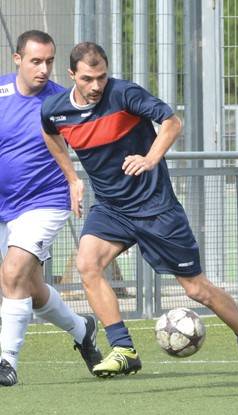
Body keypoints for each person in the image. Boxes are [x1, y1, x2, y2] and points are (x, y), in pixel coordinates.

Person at [40, 42, 238, 389]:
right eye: (88, 79)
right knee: (88, 264)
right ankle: (123, 349)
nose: (95, 87)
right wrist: (73, 179)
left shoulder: (124, 94)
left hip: (155, 208)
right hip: (110, 208)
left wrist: (150, 158)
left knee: (197, 289)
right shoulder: (56, 110)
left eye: (101, 77)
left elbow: (172, 122)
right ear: (71, 75)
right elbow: (51, 135)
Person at [0, 30, 103, 387]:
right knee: (30, 286)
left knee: (12, 272)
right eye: (35, 61)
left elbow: (98, 138)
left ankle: (6, 361)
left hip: (45, 201)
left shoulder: (63, 101)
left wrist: (79, 180)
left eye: (49, 61)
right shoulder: (0, 94)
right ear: (17, 60)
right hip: (4, 206)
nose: (43, 69)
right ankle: (82, 329)